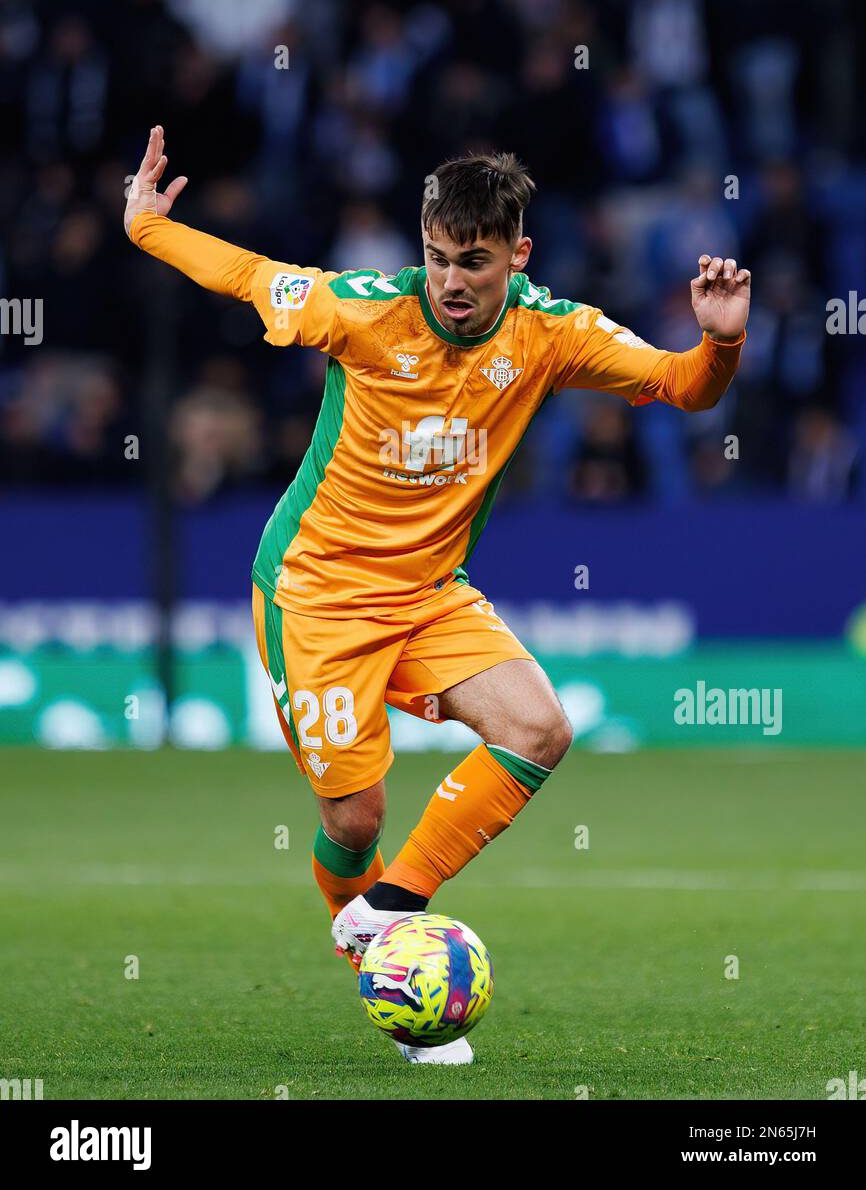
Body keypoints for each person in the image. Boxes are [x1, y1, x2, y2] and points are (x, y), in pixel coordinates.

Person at [125, 125, 750, 1064]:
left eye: (474, 261)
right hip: (316, 593)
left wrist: (723, 340)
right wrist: (144, 228)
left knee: (540, 729)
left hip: (428, 594)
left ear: (517, 256)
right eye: (436, 257)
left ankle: (393, 908)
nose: (451, 280)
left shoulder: (551, 333)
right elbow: (247, 273)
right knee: (355, 818)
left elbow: (683, 388)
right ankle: (392, 987)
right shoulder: (364, 310)